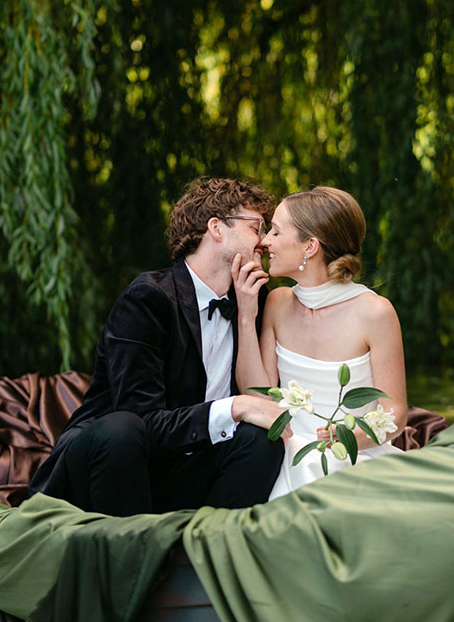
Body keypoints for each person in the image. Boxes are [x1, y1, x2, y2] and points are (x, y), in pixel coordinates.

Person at [30, 178, 287, 515]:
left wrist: (246, 313)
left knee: (260, 442)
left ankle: (203, 554)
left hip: (181, 476)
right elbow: (141, 421)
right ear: (217, 228)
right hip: (113, 471)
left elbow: (262, 399)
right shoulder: (149, 298)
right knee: (123, 430)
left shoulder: (253, 301)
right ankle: (128, 558)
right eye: (257, 226)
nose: (265, 241)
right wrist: (234, 407)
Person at [232, 186, 407, 500]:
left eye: (275, 231)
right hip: (283, 454)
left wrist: (345, 438)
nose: (264, 241)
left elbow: (394, 413)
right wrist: (246, 316)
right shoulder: (276, 302)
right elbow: (257, 395)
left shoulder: (375, 313)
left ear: (310, 246)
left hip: (355, 460)